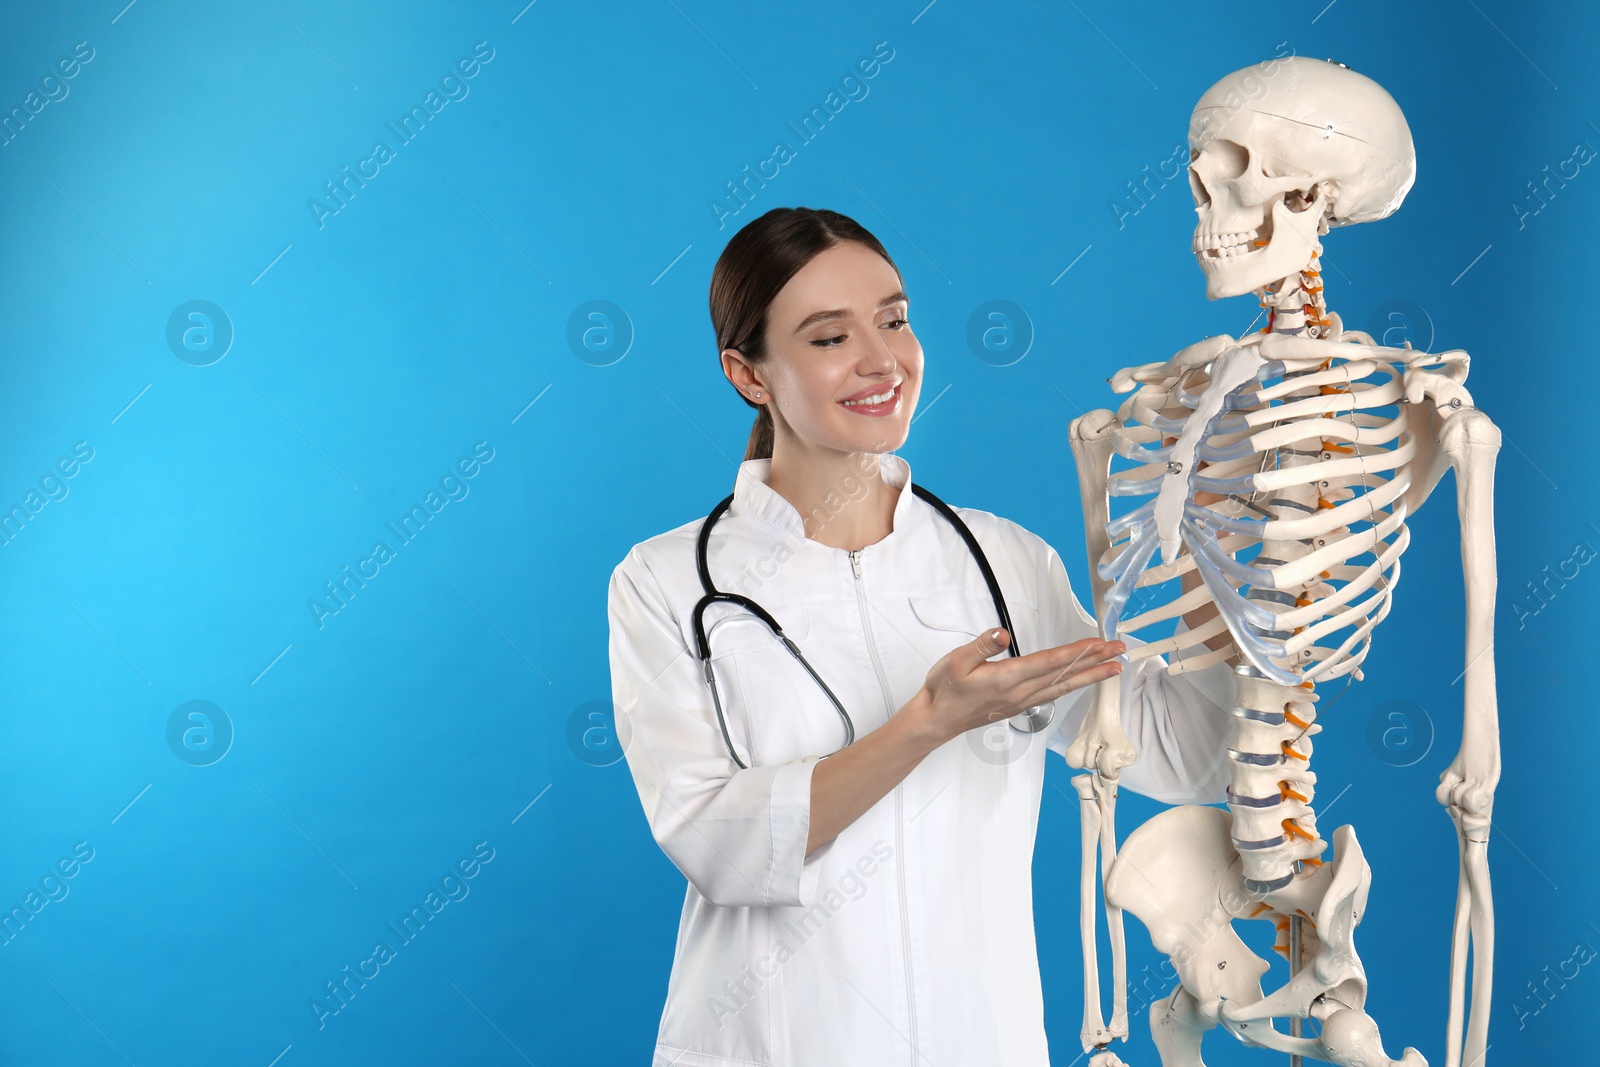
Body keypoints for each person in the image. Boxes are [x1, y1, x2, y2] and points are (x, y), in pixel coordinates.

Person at [606, 206, 1236, 1065]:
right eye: (829, 338)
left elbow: (1180, 751)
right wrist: (926, 723)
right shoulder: (668, 581)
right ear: (749, 375)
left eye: (894, 320)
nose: (881, 360)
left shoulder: (1002, 561)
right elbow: (719, 843)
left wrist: (1225, 572)